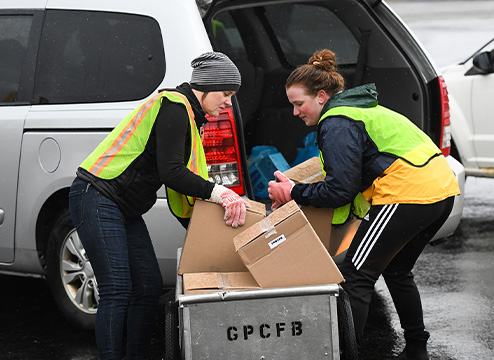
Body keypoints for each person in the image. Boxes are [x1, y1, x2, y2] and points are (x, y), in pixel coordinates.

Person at [268, 49, 460, 360]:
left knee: (356, 276)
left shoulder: (337, 122)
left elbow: (341, 189)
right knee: (397, 270)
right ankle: (416, 347)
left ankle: (348, 354)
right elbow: (354, 182)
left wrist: (294, 193)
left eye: (298, 104)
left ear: (320, 96)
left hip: (407, 194)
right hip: (440, 191)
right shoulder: (359, 111)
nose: (295, 112)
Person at [68, 51, 249, 360]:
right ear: (205, 87)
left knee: (149, 285)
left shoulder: (190, 117)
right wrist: (221, 194)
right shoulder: (174, 109)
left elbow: (182, 190)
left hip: (122, 205)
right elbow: (173, 173)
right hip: (96, 195)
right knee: (117, 289)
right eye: (225, 94)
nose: (228, 103)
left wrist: (205, 236)